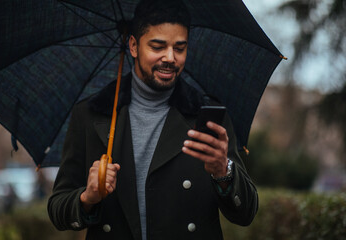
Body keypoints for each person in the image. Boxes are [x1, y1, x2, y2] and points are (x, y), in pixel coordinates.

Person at [48, 0, 258, 239]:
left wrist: (224, 172)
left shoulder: (208, 116)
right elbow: (58, 210)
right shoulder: (90, 114)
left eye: (179, 48)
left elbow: (246, 213)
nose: (170, 58)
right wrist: (87, 198)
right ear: (134, 46)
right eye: (158, 46)